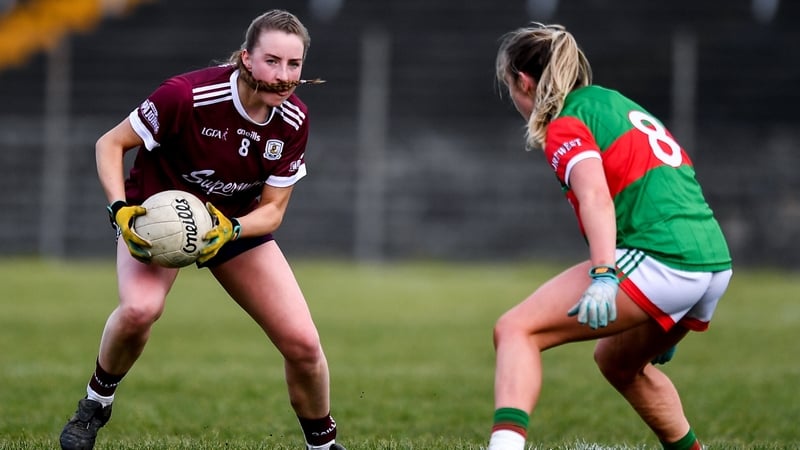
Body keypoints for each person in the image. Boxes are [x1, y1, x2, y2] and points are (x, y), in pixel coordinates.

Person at [59, 10, 345, 450]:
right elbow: (110, 144)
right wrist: (119, 210)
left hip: (230, 224)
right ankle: (94, 405)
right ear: (247, 59)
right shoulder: (188, 95)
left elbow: (271, 212)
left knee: (304, 344)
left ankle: (323, 446)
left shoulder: (293, 121)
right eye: (272, 61)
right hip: (155, 215)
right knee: (139, 311)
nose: (284, 75)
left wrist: (228, 229)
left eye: (295, 65)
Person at [488, 23, 732, 450]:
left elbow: (596, 197)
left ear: (523, 82)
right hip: (711, 261)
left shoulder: (566, 122)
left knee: (515, 330)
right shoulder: (612, 103)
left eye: (511, 87)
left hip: (663, 259)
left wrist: (605, 274)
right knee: (618, 362)